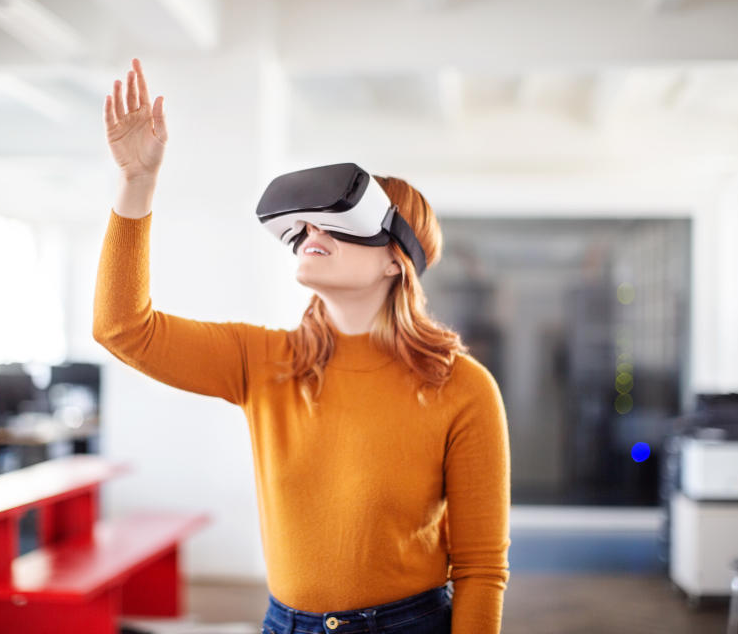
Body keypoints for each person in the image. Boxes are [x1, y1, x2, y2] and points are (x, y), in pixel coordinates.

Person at [93, 57, 511, 634]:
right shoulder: (263, 361)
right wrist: (136, 184)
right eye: (306, 225)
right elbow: (122, 328)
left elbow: (481, 567)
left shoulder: (461, 388)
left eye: (336, 222)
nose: (312, 233)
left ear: (397, 258)